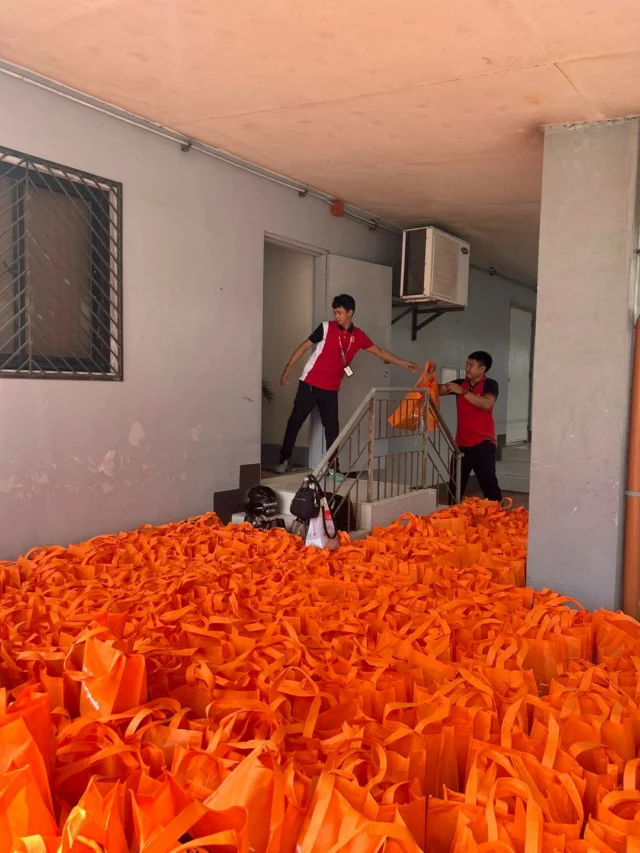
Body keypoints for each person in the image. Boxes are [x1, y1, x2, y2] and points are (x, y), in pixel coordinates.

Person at [276, 294, 419, 477]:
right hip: (310, 383)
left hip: (330, 389)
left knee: (332, 429)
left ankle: (333, 468)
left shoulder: (358, 336)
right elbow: (305, 346)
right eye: (335, 312)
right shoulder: (326, 328)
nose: (337, 316)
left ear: (350, 312)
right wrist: (288, 367)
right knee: (295, 422)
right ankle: (284, 460)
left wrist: (403, 363)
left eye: (340, 313)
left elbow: (379, 352)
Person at [439, 351, 503, 502]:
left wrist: (463, 392)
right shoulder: (460, 383)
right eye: (467, 364)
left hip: (483, 443)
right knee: (455, 485)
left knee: (488, 485)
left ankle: (497, 518)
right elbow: (437, 390)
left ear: (482, 368)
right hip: (461, 444)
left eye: (471, 365)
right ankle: (452, 516)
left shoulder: (490, 384)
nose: (467, 368)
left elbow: (487, 404)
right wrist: (428, 376)